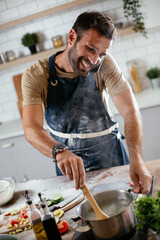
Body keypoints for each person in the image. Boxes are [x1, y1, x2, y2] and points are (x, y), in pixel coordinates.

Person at [22, 11, 152, 193]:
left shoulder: (104, 65)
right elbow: (31, 128)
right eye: (90, 49)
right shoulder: (37, 74)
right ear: (72, 37)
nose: (94, 60)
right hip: (70, 170)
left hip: (113, 159)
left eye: (101, 53)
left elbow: (131, 112)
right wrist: (59, 151)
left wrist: (137, 159)